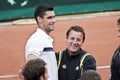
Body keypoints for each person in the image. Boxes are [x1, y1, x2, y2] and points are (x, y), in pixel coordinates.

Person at [25, 4, 58, 80]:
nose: (53, 21)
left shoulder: (44, 38)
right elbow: (31, 65)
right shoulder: (38, 39)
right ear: (39, 19)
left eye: (54, 17)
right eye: (49, 18)